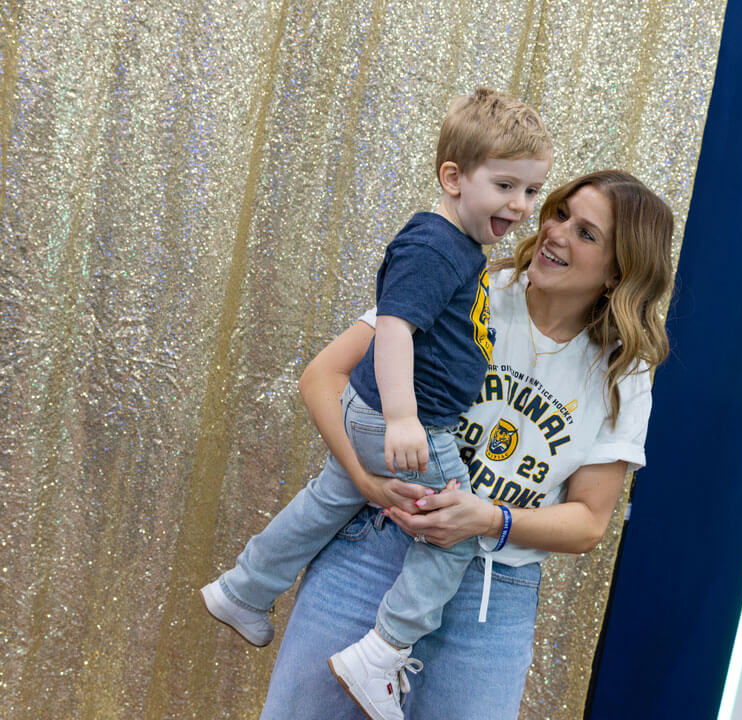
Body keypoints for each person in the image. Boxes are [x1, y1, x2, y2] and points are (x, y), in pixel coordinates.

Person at [258, 170, 674, 720]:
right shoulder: (467, 287)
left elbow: (589, 521)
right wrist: (364, 481)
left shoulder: (623, 371)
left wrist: (488, 519)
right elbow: (323, 378)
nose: (554, 232)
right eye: (559, 213)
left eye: (586, 233)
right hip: (379, 552)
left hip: (492, 595)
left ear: (621, 271)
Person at [200, 88, 553, 720]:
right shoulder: (435, 246)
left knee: (330, 498)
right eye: (506, 186)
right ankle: (382, 652)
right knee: (453, 533)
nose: (520, 206)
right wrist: (403, 418)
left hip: (373, 413)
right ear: (452, 177)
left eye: (531, 191)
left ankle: (245, 587)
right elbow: (393, 329)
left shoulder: (456, 247)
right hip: (407, 419)